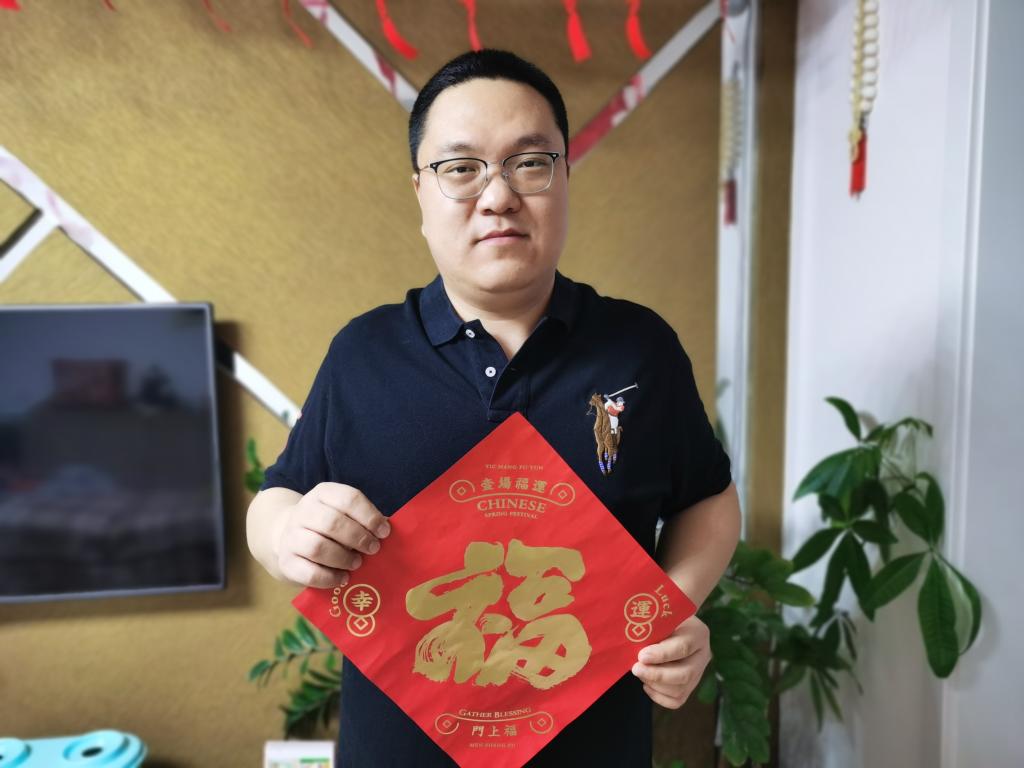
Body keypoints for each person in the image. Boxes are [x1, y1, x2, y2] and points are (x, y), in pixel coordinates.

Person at [247, 49, 741, 767]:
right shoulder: (363, 354)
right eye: (461, 167)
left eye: (530, 163)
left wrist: (668, 611)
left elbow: (709, 498)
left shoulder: (639, 349)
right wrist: (286, 532)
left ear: (565, 178)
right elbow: (277, 496)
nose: (499, 195)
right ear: (421, 191)